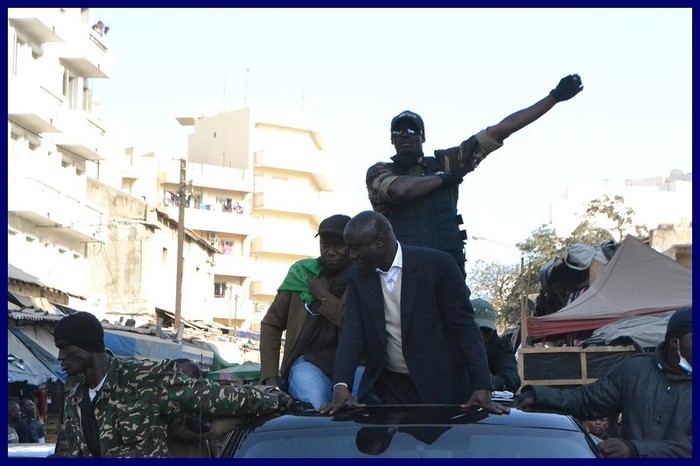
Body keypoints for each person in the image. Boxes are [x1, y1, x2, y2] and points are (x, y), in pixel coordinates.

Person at [366, 74, 583, 276]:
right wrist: (444, 178)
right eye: (399, 131)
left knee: (462, 317)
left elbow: (499, 130)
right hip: (401, 273)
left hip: (446, 270)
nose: (405, 135)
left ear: (423, 137)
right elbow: (401, 189)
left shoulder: (447, 161)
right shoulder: (379, 171)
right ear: (392, 140)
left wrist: (553, 98)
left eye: (412, 130)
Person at [319, 211, 509, 414]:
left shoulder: (438, 266)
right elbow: (353, 333)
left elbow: (464, 327)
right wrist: (341, 385)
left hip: (442, 386)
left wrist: (481, 384)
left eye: (356, 248)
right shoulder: (358, 276)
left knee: (442, 445)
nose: (351, 255)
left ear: (380, 240)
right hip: (389, 388)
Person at [53, 311, 290, 458]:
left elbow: (212, 397)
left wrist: (275, 399)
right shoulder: (75, 401)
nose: (60, 356)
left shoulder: (144, 379)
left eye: (64, 347)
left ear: (85, 345)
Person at [512, 306, 692, 458]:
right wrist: (540, 396)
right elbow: (588, 400)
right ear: (675, 343)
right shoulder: (636, 370)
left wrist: (635, 449)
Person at [260, 214, 363, 409]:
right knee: (313, 401)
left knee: (356, 408)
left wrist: (323, 296)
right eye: (325, 244)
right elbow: (271, 324)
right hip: (310, 361)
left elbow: (355, 325)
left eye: (338, 245)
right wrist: (270, 378)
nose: (330, 252)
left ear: (352, 247)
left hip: (356, 362)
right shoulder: (301, 274)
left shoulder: (364, 277)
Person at [471, 298, 521, 393]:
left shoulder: (501, 347)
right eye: (476, 330)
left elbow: (511, 380)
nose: (481, 335)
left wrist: (489, 381)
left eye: (486, 331)